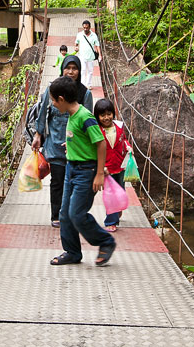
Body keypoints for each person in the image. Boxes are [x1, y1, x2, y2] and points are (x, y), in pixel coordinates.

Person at [48, 76, 117, 267]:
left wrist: (99, 174)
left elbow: (100, 143)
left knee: (77, 213)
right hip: (72, 168)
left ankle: (105, 241)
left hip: (86, 171)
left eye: (53, 100)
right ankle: (72, 252)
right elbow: (80, 137)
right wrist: (71, 145)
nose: (53, 104)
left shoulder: (85, 117)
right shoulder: (72, 115)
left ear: (61, 99)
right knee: (64, 214)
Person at [32, 55, 93, 227]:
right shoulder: (52, 89)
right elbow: (42, 112)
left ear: (80, 71)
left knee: (74, 182)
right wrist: (38, 135)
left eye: (75, 68)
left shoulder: (84, 93)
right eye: (68, 68)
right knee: (58, 181)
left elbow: (88, 121)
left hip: (76, 147)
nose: (71, 72)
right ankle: (56, 215)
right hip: (55, 144)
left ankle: (71, 214)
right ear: (62, 69)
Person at [94, 98, 132, 232]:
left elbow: (124, 140)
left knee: (120, 190)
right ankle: (111, 221)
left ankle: (118, 210)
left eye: (109, 114)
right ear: (97, 116)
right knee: (110, 194)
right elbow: (92, 147)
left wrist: (128, 147)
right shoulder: (96, 131)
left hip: (120, 165)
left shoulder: (119, 127)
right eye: (102, 115)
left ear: (113, 114)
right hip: (106, 168)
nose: (106, 118)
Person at [75, 20, 101, 88]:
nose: (85, 29)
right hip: (82, 55)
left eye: (87, 28)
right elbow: (76, 42)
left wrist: (100, 55)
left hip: (90, 56)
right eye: (84, 28)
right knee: (83, 70)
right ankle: (83, 85)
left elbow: (97, 45)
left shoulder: (94, 35)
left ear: (90, 27)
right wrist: (76, 47)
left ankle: (88, 84)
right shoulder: (80, 34)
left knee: (90, 71)